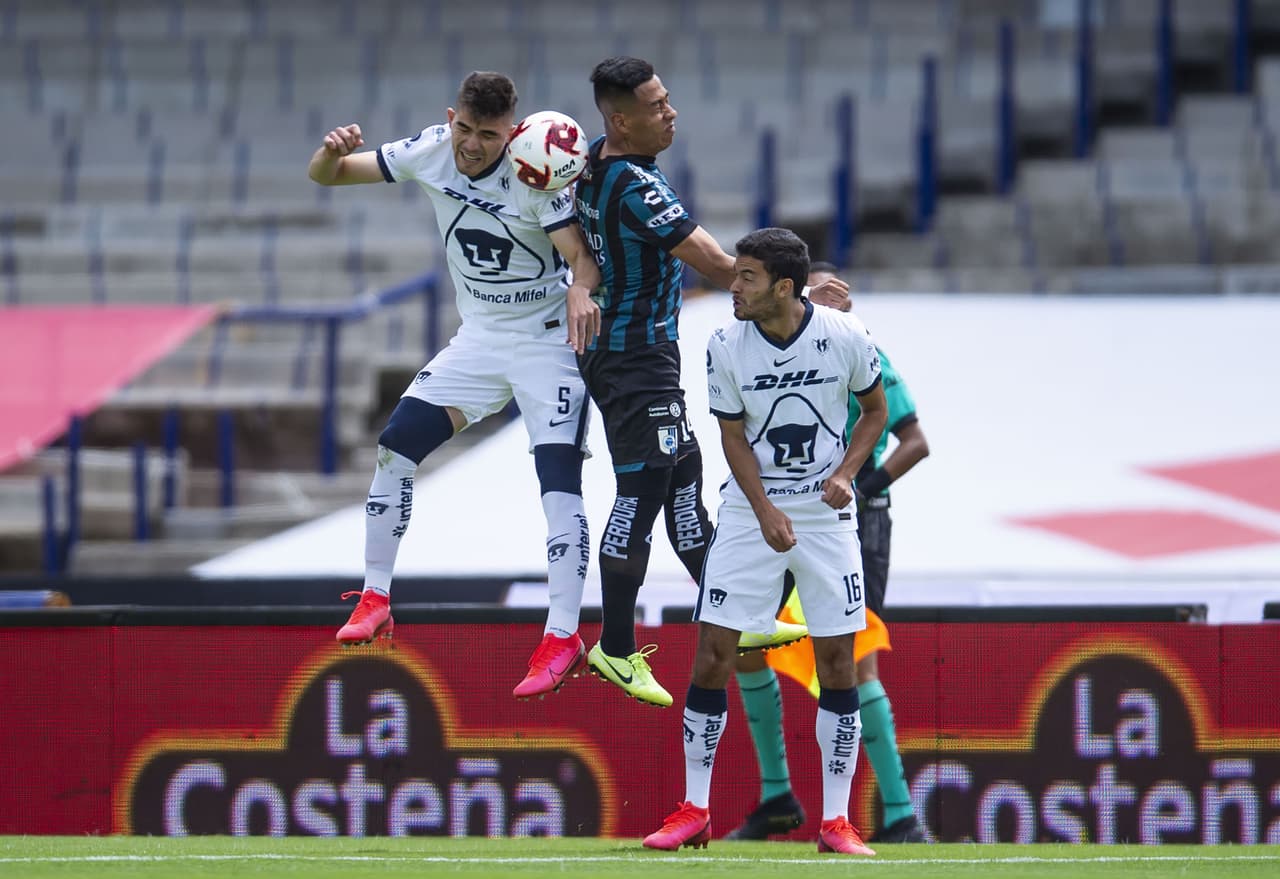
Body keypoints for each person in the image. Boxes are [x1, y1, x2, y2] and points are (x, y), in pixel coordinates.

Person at [307, 71, 602, 700]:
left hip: (547, 342)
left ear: (512, 132)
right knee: (394, 446)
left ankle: (562, 634)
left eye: (487, 135)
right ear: (451, 118)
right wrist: (329, 154)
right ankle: (376, 596)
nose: (471, 145)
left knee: (556, 483)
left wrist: (580, 286)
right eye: (464, 129)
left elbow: (582, 257)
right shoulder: (431, 149)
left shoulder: (533, 171)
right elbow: (326, 178)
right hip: (478, 340)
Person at [574, 57, 842, 707]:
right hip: (632, 358)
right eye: (657, 105)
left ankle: (736, 609)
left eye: (669, 99)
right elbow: (723, 265)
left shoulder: (592, 158)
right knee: (642, 487)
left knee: (683, 473)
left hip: (640, 353)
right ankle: (613, 644)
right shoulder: (635, 185)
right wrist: (795, 293)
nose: (671, 113)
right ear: (621, 119)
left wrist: (581, 281)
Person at [642, 228, 886, 855]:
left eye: (747, 276)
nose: (734, 284)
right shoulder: (724, 343)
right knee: (714, 655)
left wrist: (843, 475)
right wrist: (763, 507)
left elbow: (876, 412)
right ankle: (694, 810)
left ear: (783, 286)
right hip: (752, 513)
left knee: (838, 662)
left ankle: (835, 822)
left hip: (828, 518)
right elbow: (731, 435)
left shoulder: (846, 337)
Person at [725, 261, 932, 844]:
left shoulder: (863, 351)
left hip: (853, 523)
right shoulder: (755, 345)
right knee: (743, 641)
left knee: (853, 657)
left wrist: (857, 489)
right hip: (782, 516)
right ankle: (777, 797)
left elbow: (914, 440)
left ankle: (898, 815)